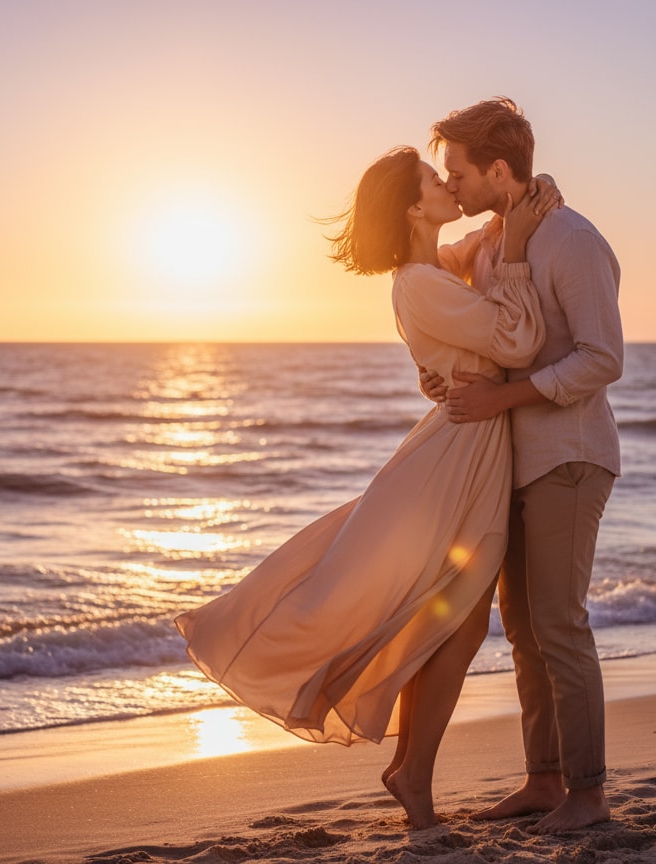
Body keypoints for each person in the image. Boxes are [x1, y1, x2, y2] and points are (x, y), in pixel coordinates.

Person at [176, 146, 560, 829]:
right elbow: (520, 339)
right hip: (458, 461)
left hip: (465, 452)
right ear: (414, 208)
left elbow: (479, 244)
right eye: (433, 181)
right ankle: (411, 770)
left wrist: (516, 209)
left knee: (454, 618)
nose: (447, 185)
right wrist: (523, 248)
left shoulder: (432, 270)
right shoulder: (419, 282)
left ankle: (412, 769)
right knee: (449, 615)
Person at [421, 97, 622, 834]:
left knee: (560, 626)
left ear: (498, 169)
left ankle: (589, 793)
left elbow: (604, 357)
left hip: (570, 456)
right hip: (511, 462)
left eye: (460, 173)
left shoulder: (571, 239)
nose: (454, 186)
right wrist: (436, 367)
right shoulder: (488, 241)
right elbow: (430, 287)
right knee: (525, 630)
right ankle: (544, 780)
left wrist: (506, 393)